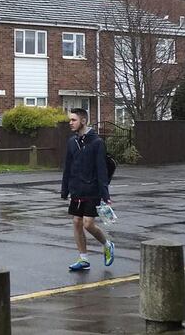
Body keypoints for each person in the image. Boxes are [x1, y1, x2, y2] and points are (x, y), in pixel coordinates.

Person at [61, 108, 115, 271]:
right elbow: (67, 167)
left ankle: (108, 244)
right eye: (70, 120)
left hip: (92, 190)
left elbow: (101, 170)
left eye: (73, 120)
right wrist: (65, 189)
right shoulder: (72, 142)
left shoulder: (97, 142)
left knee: (88, 224)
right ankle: (83, 259)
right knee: (76, 222)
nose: (70, 123)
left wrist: (105, 194)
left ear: (83, 121)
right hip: (76, 189)